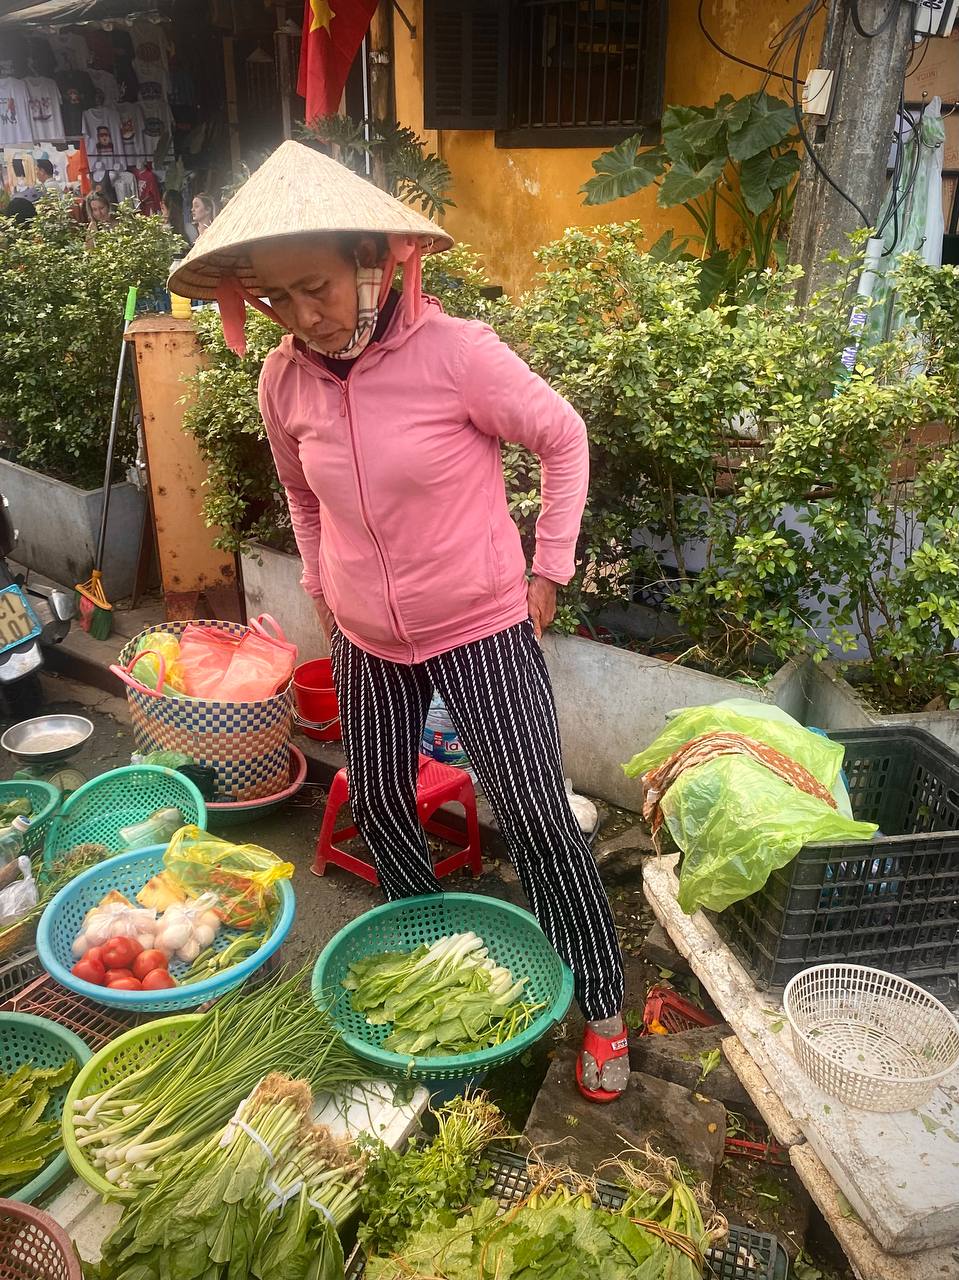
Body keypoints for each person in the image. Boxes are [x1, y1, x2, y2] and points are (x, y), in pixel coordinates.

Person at [167, 141, 629, 1103]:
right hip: (366, 640)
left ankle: (602, 1006)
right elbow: (302, 499)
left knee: (537, 816)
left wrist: (549, 567)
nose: (304, 315)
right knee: (380, 802)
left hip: (479, 627)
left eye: (317, 287)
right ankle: (433, 961)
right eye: (278, 299)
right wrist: (324, 594)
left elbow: (563, 437)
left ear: (371, 262)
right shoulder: (283, 380)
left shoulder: (457, 354)